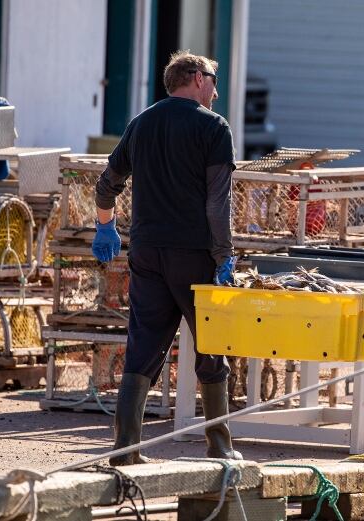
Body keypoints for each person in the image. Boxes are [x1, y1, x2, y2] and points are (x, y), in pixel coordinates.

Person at [93, 50, 241, 465]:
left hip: (147, 252)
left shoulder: (141, 123)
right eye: (213, 77)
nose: (215, 87)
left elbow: (107, 184)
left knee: (143, 343)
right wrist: (224, 255)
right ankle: (221, 448)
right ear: (195, 78)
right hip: (194, 255)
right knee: (212, 348)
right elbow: (217, 203)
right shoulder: (213, 127)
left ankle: (125, 450)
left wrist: (106, 225)